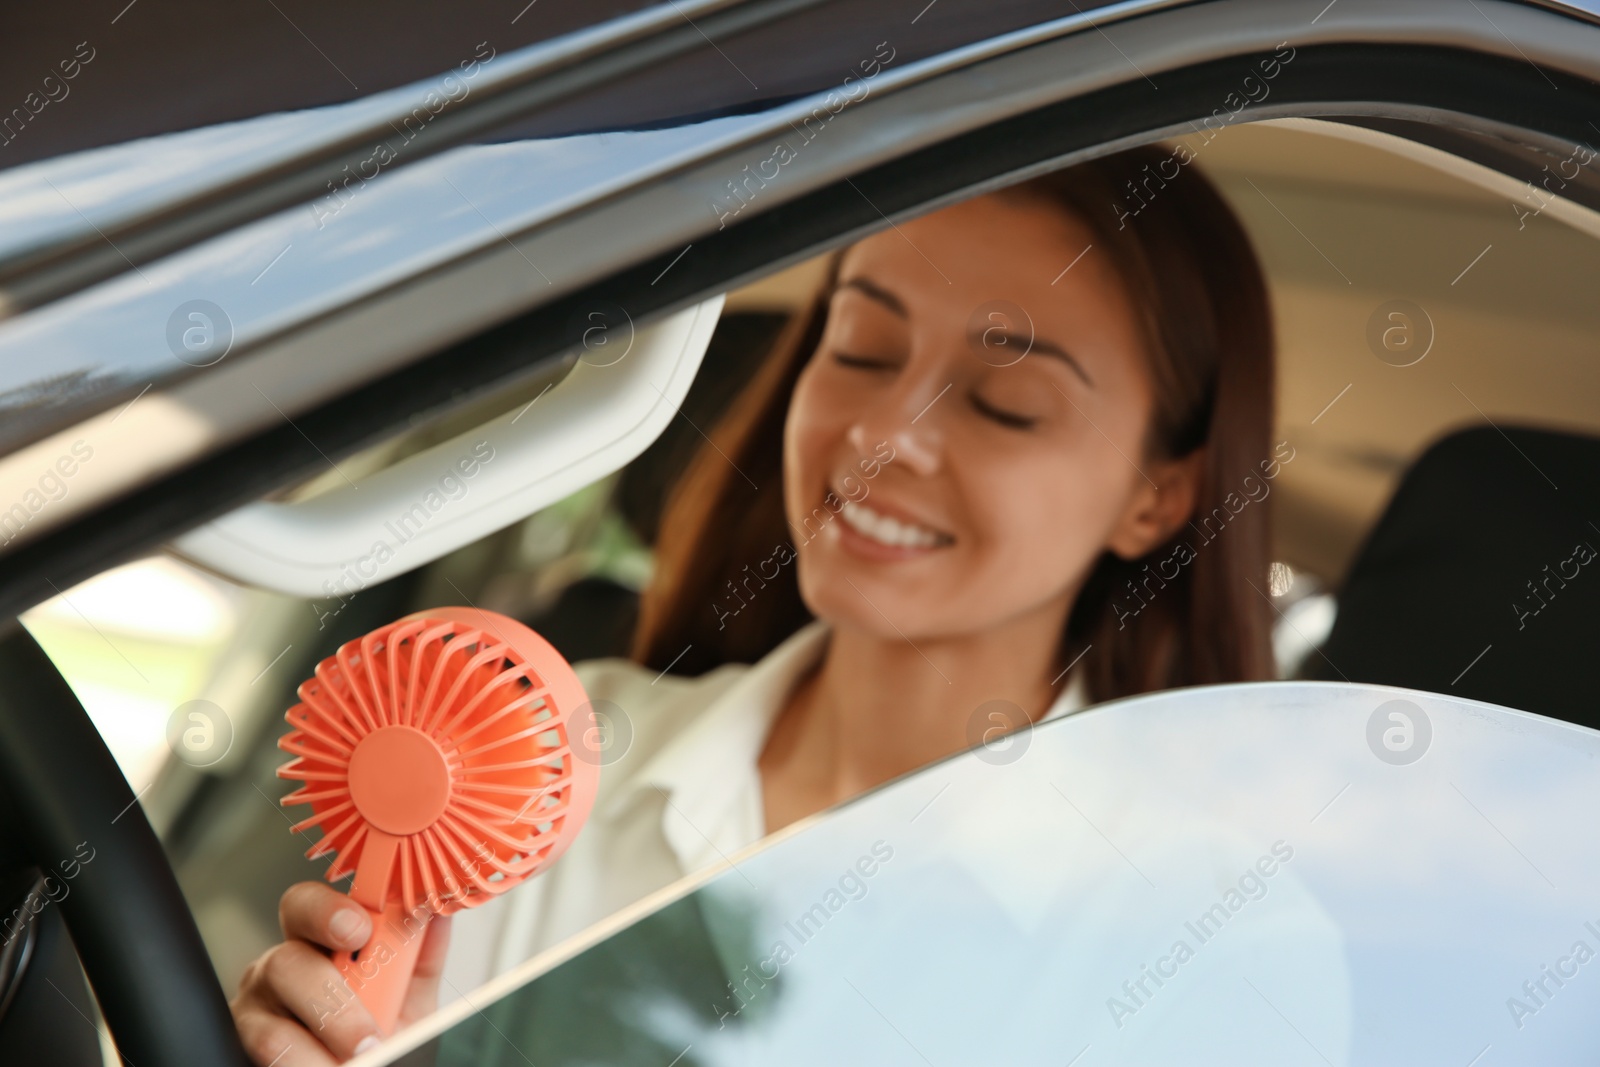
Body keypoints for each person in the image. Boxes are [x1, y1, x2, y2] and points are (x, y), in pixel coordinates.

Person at [231, 144, 1277, 1065]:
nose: (881, 436)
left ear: (1157, 497)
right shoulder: (538, 756)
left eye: (1006, 403)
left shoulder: (1217, 932)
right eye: (861, 348)